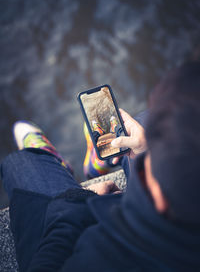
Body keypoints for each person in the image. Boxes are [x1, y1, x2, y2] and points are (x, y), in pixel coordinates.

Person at [1, 61, 200, 271]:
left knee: (22, 163)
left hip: (70, 227)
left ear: (157, 197)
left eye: (152, 163)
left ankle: (50, 157)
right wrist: (145, 150)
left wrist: (77, 200)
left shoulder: (98, 257)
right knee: (146, 122)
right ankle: (102, 159)